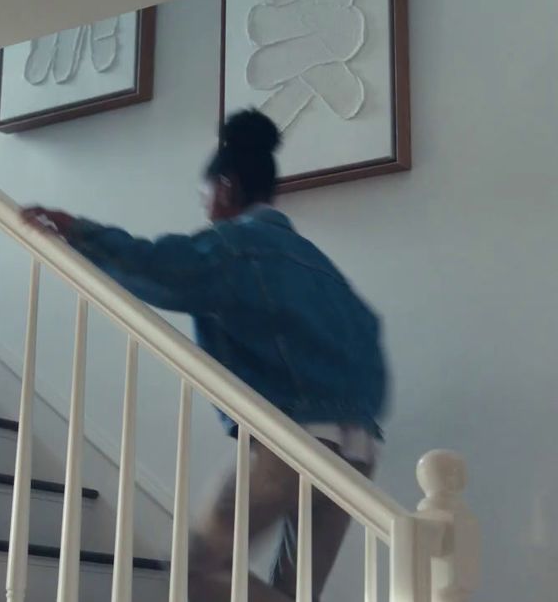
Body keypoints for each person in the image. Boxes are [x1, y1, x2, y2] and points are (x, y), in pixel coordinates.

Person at [21, 109, 389, 602]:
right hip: (357, 450)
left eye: (205, 197)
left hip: (292, 439)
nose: (205, 210)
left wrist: (78, 230)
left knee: (196, 571)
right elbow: (369, 333)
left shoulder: (239, 246)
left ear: (227, 187)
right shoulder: (320, 266)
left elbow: (159, 267)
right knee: (297, 590)